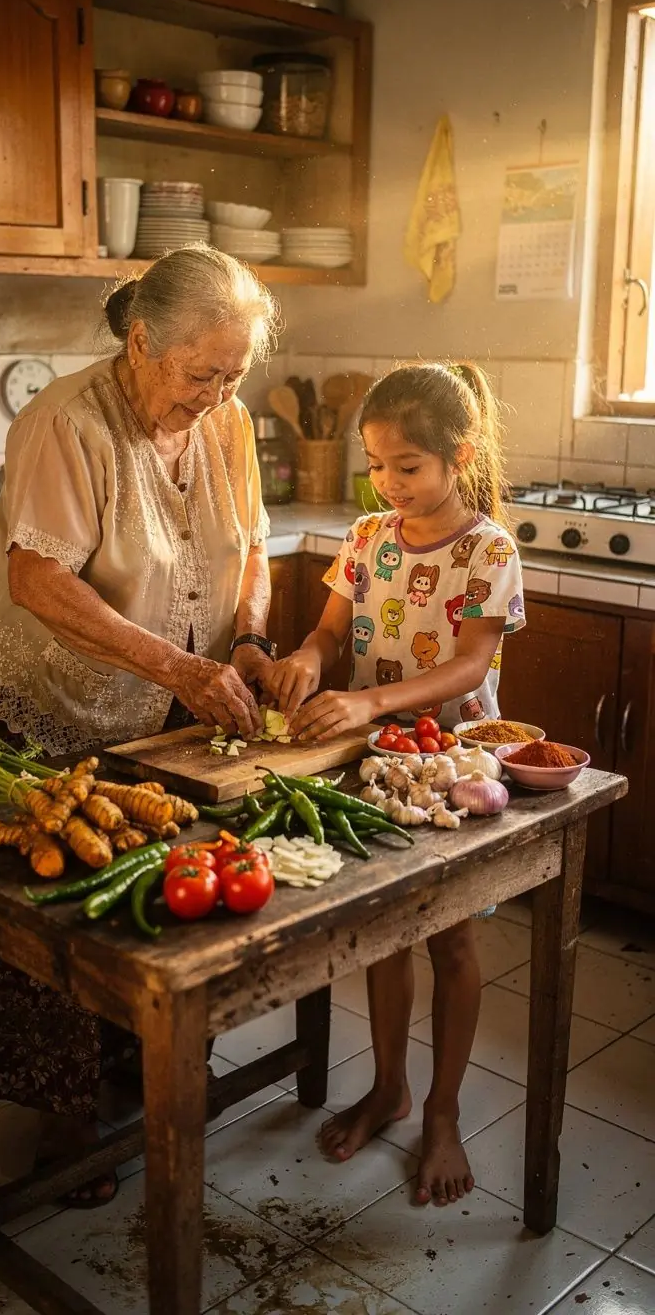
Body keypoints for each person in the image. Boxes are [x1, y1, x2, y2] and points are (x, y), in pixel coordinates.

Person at [0, 245, 280, 1205]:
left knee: (153, 891)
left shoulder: (227, 424)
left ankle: (145, 1063)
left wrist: (250, 638)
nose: (217, 397)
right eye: (200, 374)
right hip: (52, 696)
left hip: (163, 701)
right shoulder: (66, 423)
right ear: (141, 341)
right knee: (48, 909)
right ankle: (60, 1117)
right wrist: (180, 665)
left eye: (233, 375)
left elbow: (251, 542)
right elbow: (37, 579)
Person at [264, 361, 524, 1209]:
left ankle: (442, 1112)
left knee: (447, 940)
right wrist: (304, 660)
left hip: (450, 771)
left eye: (406, 466)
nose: (388, 483)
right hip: (373, 767)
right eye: (375, 466)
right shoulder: (368, 536)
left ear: (460, 454)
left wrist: (369, 698)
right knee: (382, 935)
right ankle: (389, 1089)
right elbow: (328, 633)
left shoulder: (488, 549)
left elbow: (470, 664)